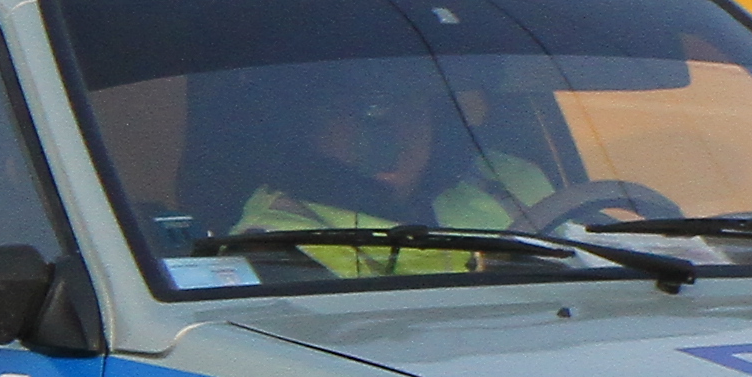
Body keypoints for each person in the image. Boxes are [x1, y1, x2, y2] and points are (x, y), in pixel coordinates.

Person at [229, 67, 559, 275]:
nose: (389, 135)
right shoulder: (273, 245)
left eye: (407, 108)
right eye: (366, 114)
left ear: (436, 120)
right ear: (308, 126)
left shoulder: (507, 178)